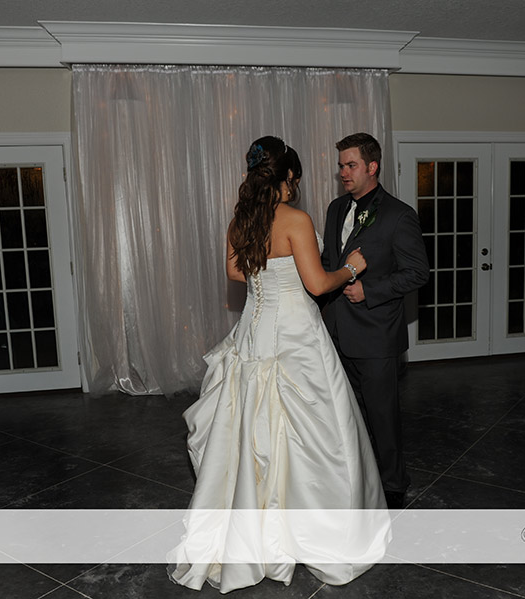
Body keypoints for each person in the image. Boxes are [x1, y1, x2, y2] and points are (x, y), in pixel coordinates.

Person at [168, 136, 390, 592]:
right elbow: (317, 284)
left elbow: (235, 272)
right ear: (288, 176)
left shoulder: (241, 220)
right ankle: (314, 531)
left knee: (250, 429)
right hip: (295, 336)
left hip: (253, 331)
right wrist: (352, 268)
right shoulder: (295, 219)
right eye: (296, 177)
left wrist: (264, 269)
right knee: (316, 433)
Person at [320, 133, 429, 509]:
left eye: (351, 165)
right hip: (336, 330)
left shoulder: (399, 215)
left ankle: (394, 483)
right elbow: (330, 262)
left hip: (376, 334)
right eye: (341, 166)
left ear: (372, 167)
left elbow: (418, 273)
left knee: (382, 415)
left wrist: (371, 290)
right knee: (346, 414)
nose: (343, 172)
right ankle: (356, 477)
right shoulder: (336, 208)